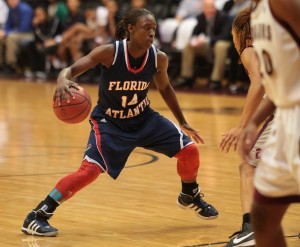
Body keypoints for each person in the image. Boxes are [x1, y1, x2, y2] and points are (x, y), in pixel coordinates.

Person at [21, 8, 218, 237]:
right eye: (147, 28)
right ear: (131, 29)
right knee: (89, 171)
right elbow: (71, 69)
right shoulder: (110, 53)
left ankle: (189, 193)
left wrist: (182, 121)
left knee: (189, 151)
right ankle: (37, 215)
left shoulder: (158, 57)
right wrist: (61, 79)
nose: (151, 33)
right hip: (110, 123)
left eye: (154, 29)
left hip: (144, 119)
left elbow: (165, 87)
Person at [238, 0, 300, 246]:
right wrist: (252, 123)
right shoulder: (255, 12)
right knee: (263, 218)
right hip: (285, 118)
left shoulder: (281, 2)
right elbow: (278, 82)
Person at [219, 7, 274, 247]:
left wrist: (243, 126)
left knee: (249, 165)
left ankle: (252, 231)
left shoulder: (249, 48)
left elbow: (260, 83)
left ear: (241, 32)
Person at [173, 0, 232, 89]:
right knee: (189, 46)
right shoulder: (201, 17)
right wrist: (194, 41)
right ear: (203, 9)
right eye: (207, 8)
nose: (210, 11)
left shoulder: (224, 17)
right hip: (208, 46)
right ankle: (186, 77)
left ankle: (216, 80)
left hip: (222, 44)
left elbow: (226, 35)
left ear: (215, 8)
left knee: (220, 45)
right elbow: (195, 33)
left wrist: (207, 40)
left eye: (211, 8)